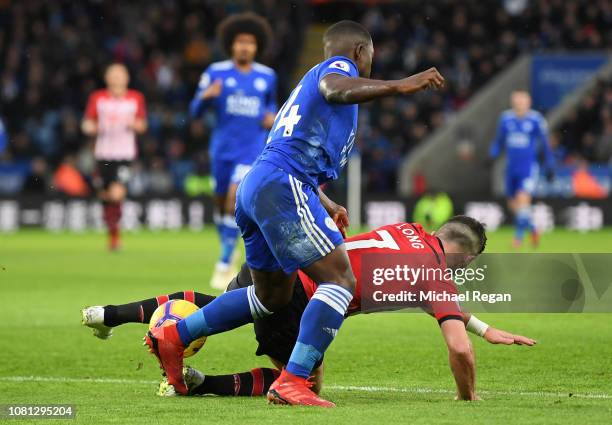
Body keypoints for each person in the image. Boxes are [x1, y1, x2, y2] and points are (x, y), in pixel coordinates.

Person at [145, 20, 444, 407]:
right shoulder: (339, 70)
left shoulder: (299, 91)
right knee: (339, 279)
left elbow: (288, 149)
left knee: (271, 295)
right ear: (359, 52)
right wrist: (400, 85)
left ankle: (175, 336)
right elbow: (334, 89)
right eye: (370, 56)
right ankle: (293, 380)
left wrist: (326, 201)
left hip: (261, 184)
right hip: (283, 185)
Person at [82, 216, 536, 399]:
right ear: (466, 257)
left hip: (284, 263)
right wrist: (467, 395)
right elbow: (458, 351)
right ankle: (198, 383)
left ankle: (123, 317)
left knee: (231, 302)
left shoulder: (408, 230)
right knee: (304, 379)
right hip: (306, 297)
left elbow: (416, 288)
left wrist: (480, 325)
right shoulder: (438, 271)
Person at [189, 13, 277, 289]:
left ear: (257, 46)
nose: (245, 47)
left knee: (232, 198)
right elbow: (194, 111)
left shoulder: (267, 76)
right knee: (220, 205)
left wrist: (271, 117)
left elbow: (272, 107)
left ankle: (224, 262)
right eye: (240, 42)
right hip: (222, 150)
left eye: (250, 43)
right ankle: (228, 244)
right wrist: (205, 98)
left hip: (251, 150)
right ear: (231, 45)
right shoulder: (215, 73)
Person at [82, 63, 147, 251]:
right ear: (107, 78)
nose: (117, 78)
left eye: (121, 74)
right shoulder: (98, 98)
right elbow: (87, 123)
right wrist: (92, 127)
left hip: (125, 155)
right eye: (114, 74)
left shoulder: (136, 98)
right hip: (103, 154)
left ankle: (115, 238)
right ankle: (112, 234)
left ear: (127, 78)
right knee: (105, 196)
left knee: (117, 193)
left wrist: (134, 125)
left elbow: (143, 124)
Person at [489, 90, 553, 248]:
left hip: (528, 168)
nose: (519, 104)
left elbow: (545, 144)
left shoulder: (536, 120)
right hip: (511, 169)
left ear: (528, 102)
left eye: (522, 101)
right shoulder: (506, 119)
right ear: (513, 102)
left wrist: (549, 164)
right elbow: (499, 142)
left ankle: (517, 238)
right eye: (517, 101)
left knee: (523, 201)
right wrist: (492, 155)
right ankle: (532, 228)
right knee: (513, 205)